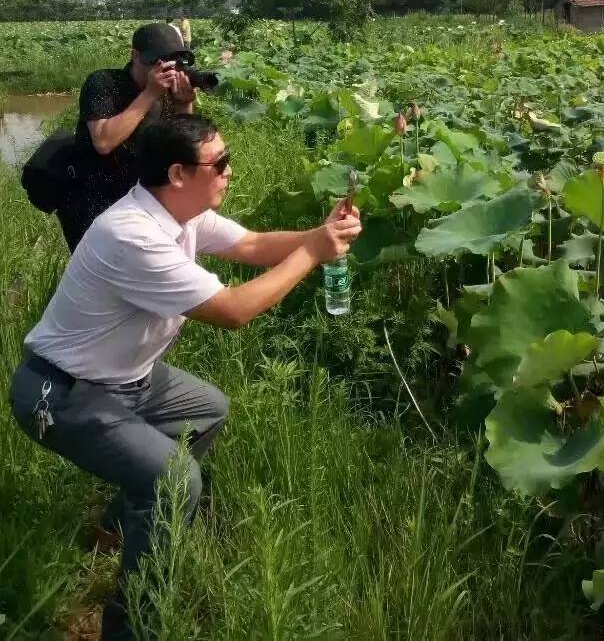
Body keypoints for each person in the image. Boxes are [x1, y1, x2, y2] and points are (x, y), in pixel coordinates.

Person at [9, 114, 362, 640]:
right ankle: (133, 627)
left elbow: (252, 245)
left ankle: (116, 524)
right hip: (59, 393)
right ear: (177, 173)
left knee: (205, 409)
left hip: (130, 381)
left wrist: (320, 233)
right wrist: (312, 254)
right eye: (219, 163)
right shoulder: (132, 235)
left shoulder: (183, 215)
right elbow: (233, 311)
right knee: (172, 481)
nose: (229, 171)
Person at [56, 23, 196, 252]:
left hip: (139, 198)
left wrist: (184, 105)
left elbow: (181, 146)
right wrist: (150, 94)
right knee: (100, 274)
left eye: (172, 62)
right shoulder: (104, 83)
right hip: (92, 199)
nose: (164, 70)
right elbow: (103, 142)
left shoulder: (168, 93)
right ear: (135, 56)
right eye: (156, 62)